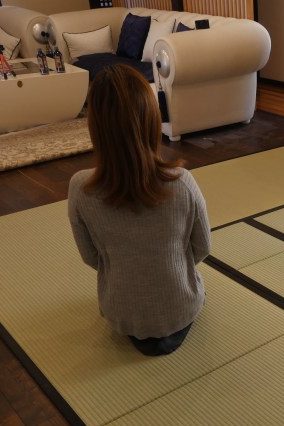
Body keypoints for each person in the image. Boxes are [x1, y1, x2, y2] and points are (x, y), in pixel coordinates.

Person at [69, 65, 211, 356]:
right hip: (181, 307)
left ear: (96, 128)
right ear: (151, 118)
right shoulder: (182, 182)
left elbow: (90, 257)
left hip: (120, 314)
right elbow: (202, 247)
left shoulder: (80, 188)